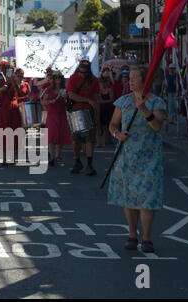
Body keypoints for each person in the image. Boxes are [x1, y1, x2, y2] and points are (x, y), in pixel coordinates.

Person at [108, 65, 167, 253]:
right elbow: (112, 124)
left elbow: (157, 126)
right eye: (129, 77)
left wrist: (142, 108)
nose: (130, 80)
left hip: (150, 159)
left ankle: (147, 238)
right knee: (130, 198)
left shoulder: (157, 102)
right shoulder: (123, 102)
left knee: (148, 199)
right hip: (127, 158)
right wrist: (117, 134)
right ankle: (132, 235)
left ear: (145, 80)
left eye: (134, 77)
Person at [66, 59, 100, 176]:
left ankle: (89, 165)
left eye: (85, 68)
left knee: (88, 139)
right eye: (82, 67)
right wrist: (87, 100)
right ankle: (77, 162)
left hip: (88, 112)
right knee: (76, 140)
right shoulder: (73, 78)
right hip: (76, 111)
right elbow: (71, 94)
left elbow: (96, 98)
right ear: (79, 67)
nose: (83, 70)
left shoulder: (94, 80)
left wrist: (97, 115)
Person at [0, 67, 29, 165]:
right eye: (8, 70)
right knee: (4, 131)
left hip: (14, 107)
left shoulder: (17, 81)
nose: (9, 72)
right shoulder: (1, 80)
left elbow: (19, 93)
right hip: (3, 108)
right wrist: (2, 88)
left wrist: (13, 81)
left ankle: (13, 158)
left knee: (14, 131)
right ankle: (4, 159)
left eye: (11, 71)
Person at [41, 71, 72, 166]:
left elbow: (69, 102)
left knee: (60, 136)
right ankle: (51, 157)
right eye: (56, 77)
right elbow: (43, 102)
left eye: (60, 77)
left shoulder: (65, 90)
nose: (58, 79)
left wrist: (67, 97)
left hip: (62, 114)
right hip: (52, 114)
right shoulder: (48, 90)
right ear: (53, 79)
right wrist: (51, 101)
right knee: (51, 136)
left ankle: (58, 157)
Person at [99, 76, 115, 147]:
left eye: (104, 82)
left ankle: (109, 140)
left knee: (110, 125)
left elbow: (112, 99)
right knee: (104, 127)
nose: (102, 84)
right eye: (101, 82)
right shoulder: (99, 91)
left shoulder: (110, 90)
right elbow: (100, 101)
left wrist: (104, 101)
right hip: (102, 110)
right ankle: (104, 141)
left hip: (109, 110)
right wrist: (106, 101)